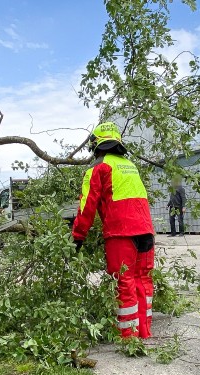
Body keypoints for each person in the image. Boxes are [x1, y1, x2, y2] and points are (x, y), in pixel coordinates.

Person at [71, 121, 156, 339]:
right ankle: (144, 331)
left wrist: (78, 236)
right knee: (143, 279)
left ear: (95, 144)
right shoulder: (130, 165)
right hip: (146, 230)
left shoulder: (99, 167)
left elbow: (86, 205)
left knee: (124, 280)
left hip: (121, 232)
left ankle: (128, 336)